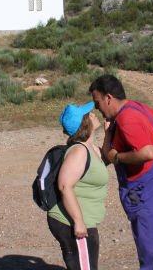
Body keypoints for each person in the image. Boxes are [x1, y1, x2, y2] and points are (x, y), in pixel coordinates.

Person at [89, 75, 153, 270]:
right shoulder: (136, 106)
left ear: (108, 98)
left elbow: (148, 153)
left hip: (149, 192)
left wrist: (118, 157)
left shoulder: (126, 118)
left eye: (97, 102)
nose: (97, 108)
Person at [47, 102, 109, 270]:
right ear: (84, 123)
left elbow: (105, 159)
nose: (93, 114)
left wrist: (108, 133)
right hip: (71, 222)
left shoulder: (90, 148)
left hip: (84, 220)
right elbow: (64, 186)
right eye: (89, 114)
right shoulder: (79, 151)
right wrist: (78, 221)